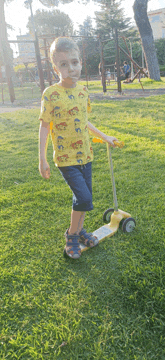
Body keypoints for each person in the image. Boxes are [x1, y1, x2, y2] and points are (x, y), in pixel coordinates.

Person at [39, 37, 118, 259]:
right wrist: (42, 159)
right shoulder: (50, 94)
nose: (70, 68)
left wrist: (104, 136)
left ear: (81, 63)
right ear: (56, 69)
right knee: (84, 199)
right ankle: (72, 236)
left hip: (86, 155)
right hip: (66, 158)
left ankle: (80, 230)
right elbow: (45, 127)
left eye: (74, 62)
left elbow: (83, 121)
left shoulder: (83, 91)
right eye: (63, 64)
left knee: (83, 198)